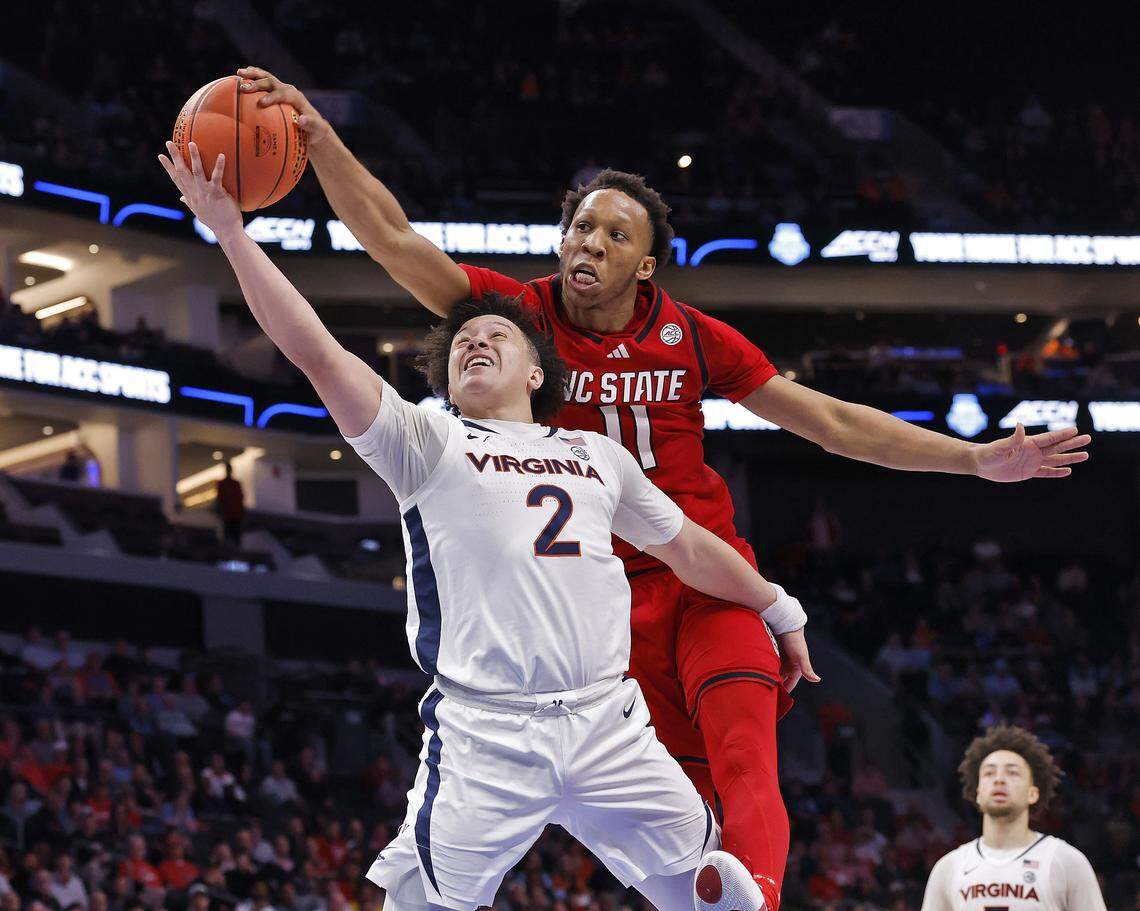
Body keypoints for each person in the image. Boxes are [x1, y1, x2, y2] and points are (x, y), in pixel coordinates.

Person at [231, 68, 1092, 911]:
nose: (588, 245)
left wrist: (973, 461)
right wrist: (320, 141)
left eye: (612, 235)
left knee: (746, 748)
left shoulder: (693, 334)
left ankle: (753, 896)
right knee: (679, 819)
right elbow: (391, 237)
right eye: (578, 230)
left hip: (705, 576)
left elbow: (829, 421)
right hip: (601, 611)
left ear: (648, 265)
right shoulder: (519, 321)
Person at [158, 142, 815, 911]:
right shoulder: (425, 441)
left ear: (537, 373)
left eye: (494, 337)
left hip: (608, 722)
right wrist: (232, 234)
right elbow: (311, 347)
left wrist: (778, 607)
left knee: (716, 896)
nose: (475, 340)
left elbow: (695, 550)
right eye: (463, 341)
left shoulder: (596, 454)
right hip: (487, 733)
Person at [921, 724, 1106, 911]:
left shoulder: (1066, 861)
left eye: (1012, 772)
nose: (999, 779)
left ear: (1033, 793)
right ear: (978, 792)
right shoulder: (949, 867)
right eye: (989, 773)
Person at [215, 462, 245, 549]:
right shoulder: (229, 484)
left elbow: (221, 499)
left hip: (232, 514)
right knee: (232, 535)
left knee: (231, 535)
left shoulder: (231, 484)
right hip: (231, 514)